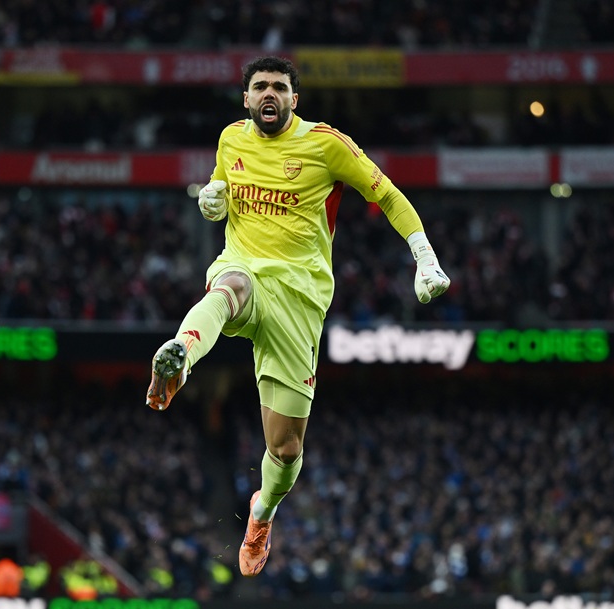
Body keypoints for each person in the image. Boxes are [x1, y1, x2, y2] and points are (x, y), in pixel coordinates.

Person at [145, 55, 450, 578]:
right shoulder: (230, 139)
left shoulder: (325, 145)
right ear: (246, 99)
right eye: (260, 86)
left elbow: (387, 193)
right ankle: (180, 358)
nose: (270, 94)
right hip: (244, 270)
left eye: (279, 88)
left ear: (294, 99)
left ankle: (262, 513)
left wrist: (425, 257)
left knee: (284, 450)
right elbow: (220, 191)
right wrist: (212, 201)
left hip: (299, 298)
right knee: (228, 286)